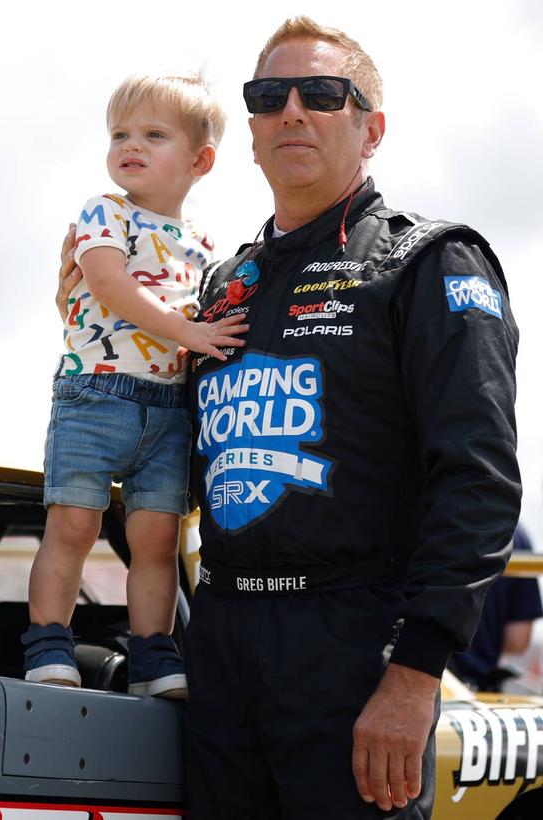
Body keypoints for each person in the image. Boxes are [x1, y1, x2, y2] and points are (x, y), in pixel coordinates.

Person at [55, 16, 519, 818]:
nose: (293, 111)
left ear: (370, 129)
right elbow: (154, 442)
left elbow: (477, 480)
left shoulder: (427, 260)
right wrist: (79, 302)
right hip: (222, 643)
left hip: (355, 645)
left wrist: (414, 675)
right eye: (270, 97)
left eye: (322, 95)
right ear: (251, 131)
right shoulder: (219, 285)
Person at [23, 74, 247, 698]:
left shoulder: (203, 242)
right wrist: (187, 330)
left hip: (169, 407)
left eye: (154, 135)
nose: (132, 146)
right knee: (73, 524)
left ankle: (154, 656)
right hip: (96, 394)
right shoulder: (105, 211)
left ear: (200, 161)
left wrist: (198, 334)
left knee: (156, 540)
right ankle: (47, 644)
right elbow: (108, 288)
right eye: (121, 134)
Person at [450, 526, 542, 692]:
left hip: (410, 682)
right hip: (475, 692)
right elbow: (517, 640)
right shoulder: (516, 535)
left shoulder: (420, 519)